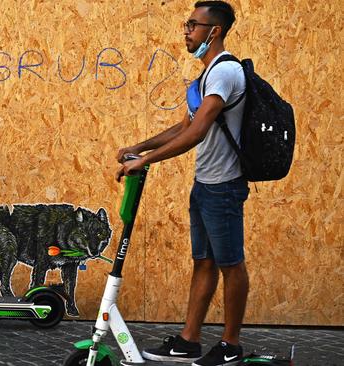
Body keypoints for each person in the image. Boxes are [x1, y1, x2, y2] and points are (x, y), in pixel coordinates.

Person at [115, 2, 249, 365]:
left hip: (224, 186)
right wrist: (139, 147)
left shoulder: (225, 72)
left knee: (231, 264)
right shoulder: (208, 75)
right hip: (205, 184)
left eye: (193, 25)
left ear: (214, 31)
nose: (186, 31)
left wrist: (146, 161)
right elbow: (184, 126)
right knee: (203, 262)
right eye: (187, 24)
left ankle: (231, 345)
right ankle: (189, 340)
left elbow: (198, 132)